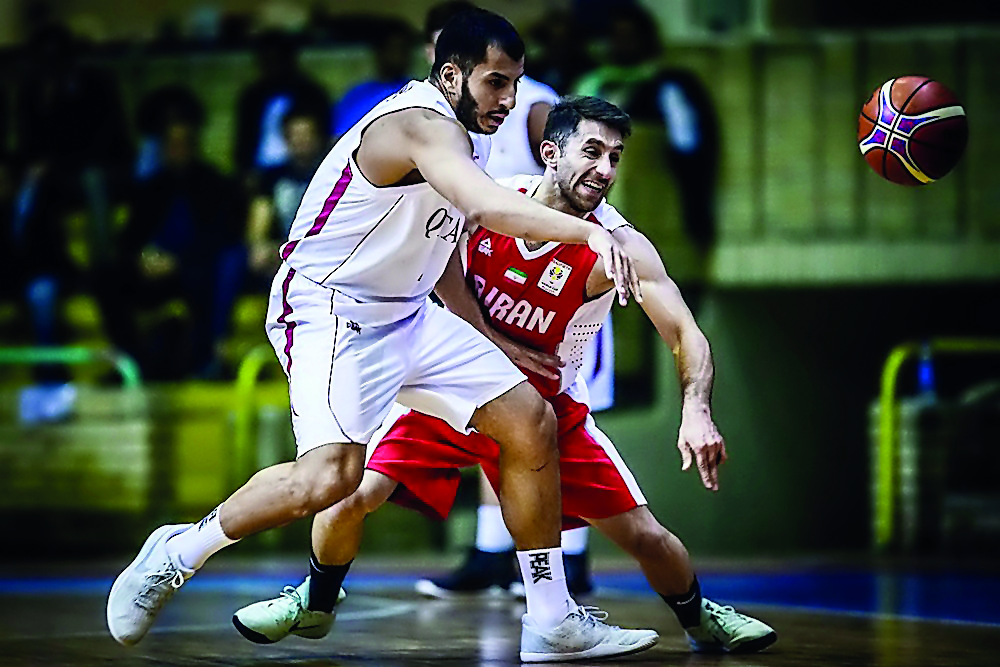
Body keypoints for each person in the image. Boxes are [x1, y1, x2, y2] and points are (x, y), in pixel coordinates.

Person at [106, 10, 645, 662]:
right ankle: (176, 552)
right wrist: (595, 232)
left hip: (411, 312)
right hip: (333, 310)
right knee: (328, 478)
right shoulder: (418, 126)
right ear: (451, 74)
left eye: (517, 83)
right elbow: (482, 207)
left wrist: (485, 339)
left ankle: (552, 615)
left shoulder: (466, 134)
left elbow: (443, 246)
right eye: (497, 83)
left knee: (531, 419)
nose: (509, 100)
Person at [232, 96, 777, 660]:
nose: (605, 170)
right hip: (454, 390)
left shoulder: (620, 245)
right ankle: (316, 598)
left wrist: (696, 407)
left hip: (545, 408)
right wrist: (486, 334)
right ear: (550, 152)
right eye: (592, 151)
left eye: (616, 157)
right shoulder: (493, 203)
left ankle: (699, 618)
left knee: (645, 536)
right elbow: (432, 255)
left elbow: (686, 332)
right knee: (350, 492)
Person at [413, 0, 610, 600]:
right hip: (491, 279)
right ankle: (495, 553)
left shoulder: (534, 105)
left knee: (560, 411)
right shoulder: (431, 119)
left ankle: (567, 558)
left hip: (558, 277)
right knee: (495, 415)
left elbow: (582, 185)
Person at [245, 103, 327, 287]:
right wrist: (258, 246)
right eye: (295, 135)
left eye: (306, 135)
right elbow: (260, 215)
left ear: (318, 137)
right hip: (282, 252)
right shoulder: (273, 177)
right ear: (285, 138)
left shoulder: (332, 173)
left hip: (324, 252)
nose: (301, 141)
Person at [233, 30, 330, 183]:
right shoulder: (252, 97)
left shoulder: (311, 94)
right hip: (261, 175)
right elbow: (243, 145)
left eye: (278, 59)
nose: (274, 65)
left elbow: (323, 137)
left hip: (306, 172)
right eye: (268, 59)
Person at [331, 18, 416, 140]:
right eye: (392, 48)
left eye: (403, 49)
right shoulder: (356, 96)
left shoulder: (417, 91)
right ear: (379, 52)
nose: (398, 56)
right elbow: (337, 140)